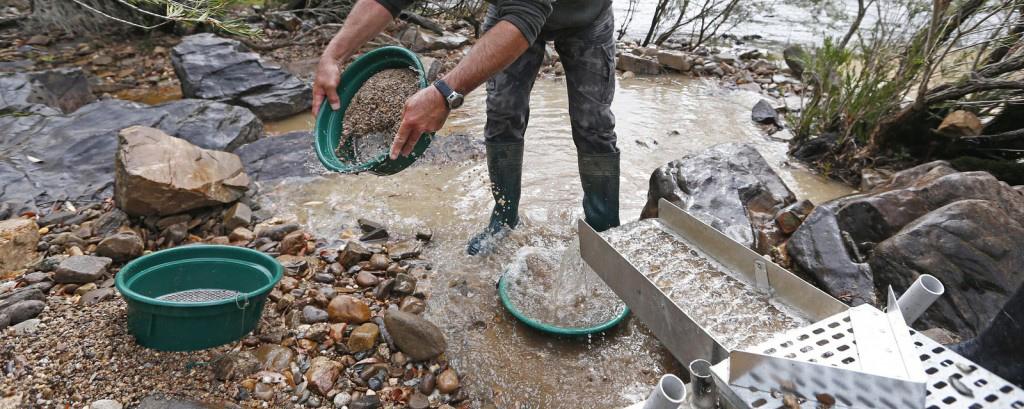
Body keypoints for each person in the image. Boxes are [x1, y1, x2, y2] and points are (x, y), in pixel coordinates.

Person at [312, 0, 620, 255]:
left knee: (593, 123)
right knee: (502, 113)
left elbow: (527, 15)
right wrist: (333, 54)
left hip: (586, 16)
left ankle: (604, 229)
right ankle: (504, 217)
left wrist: (445, 94)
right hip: (510, 10)